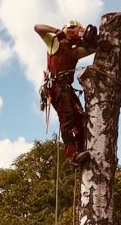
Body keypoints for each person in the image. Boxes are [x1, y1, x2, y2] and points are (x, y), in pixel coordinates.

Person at [34, 21, 98, 166]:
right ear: (67, 30)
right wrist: (56, 30)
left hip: (67, 89)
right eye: (74, 28)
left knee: (81, 118)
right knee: (67, 119)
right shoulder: (55, 43)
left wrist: (96, 41)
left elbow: (92, 48)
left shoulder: (74, 51)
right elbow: (37, 28)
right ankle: (72, 155)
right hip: (56, 87)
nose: (77, 31)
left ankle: (82, 149)